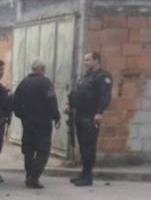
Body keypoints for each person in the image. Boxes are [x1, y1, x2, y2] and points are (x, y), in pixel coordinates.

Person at [12, 60, 60, 189]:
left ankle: (29, 175)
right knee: (43, 151)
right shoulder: (45, 82)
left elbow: (15, 101)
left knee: (28, 150)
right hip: (43, 123)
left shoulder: (23, 83)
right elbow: (51, 101)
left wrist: (21, 116)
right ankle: (34, 177)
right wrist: (56, 116)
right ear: (41, 69)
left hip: (28, 123)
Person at [69, 51, 113, 187]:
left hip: (91, 115)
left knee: (89, 146)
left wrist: (99, 113)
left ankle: (88, 177)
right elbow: (77, 92)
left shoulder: (103, 76)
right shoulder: (86, 77)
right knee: (82, 146)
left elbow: (105, 97)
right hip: (80, 114)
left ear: (96, 61)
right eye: (85, 60)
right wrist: (69, 103)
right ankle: (84, 173)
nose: (85, 63)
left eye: (88, 60)